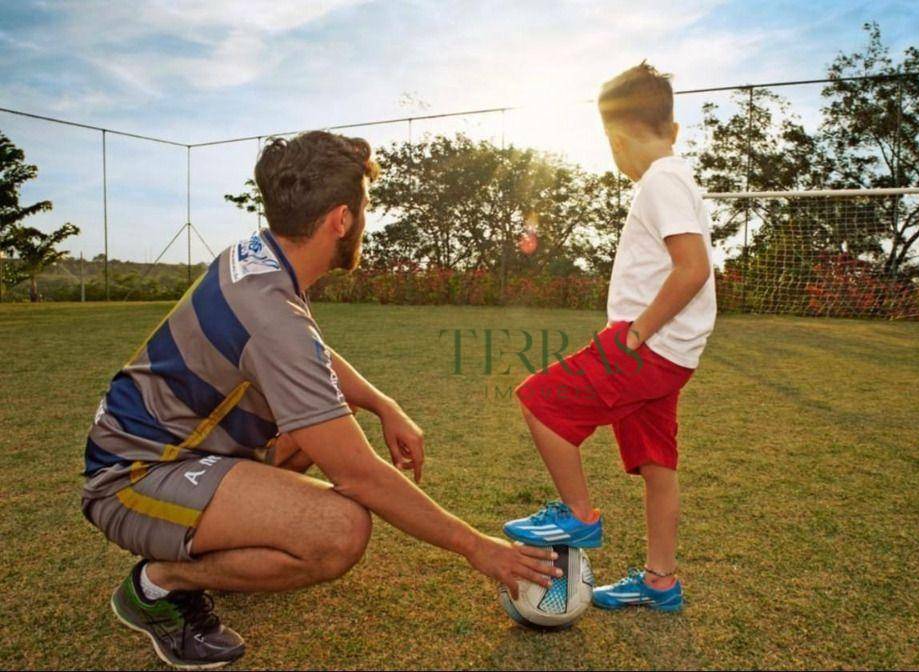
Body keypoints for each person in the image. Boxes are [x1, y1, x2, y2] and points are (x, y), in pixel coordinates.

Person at [81, 131, 560, 669]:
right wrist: (480, 548)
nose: (365, 221)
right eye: (365, 209)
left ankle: (212, 549)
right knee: (339, 530)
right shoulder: (270, 314)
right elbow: (359, 474)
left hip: (180, 451)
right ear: (340, 220)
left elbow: (307, 354)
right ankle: (157, 584)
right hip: (133, 478)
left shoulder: (256, 257)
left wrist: (382, 402)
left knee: (326, 419)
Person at [503, 62, 716, 612]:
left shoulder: (660, 181)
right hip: (672, 354)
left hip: (647, 347)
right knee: (656, 463)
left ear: (616, 139)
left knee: (539, 402)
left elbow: (691, 268)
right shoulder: (679, 175)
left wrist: (636, 333)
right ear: (672, 128)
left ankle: (578, 516)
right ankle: (660, 581)